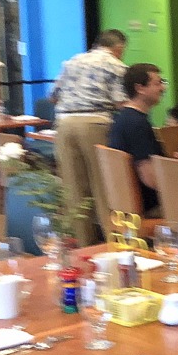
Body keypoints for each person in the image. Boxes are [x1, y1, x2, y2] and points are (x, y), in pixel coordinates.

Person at [52, 29, 128, 245]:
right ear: (118, 47)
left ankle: (84, 246)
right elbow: (121, 103)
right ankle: (112, 245)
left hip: (64, 124)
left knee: (74, 190)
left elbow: (53, 96)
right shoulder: (115, 65)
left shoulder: (72, 62)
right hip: (95, 123)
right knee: (103, 187)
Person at [107, 63, 166, 217]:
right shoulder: (138, 124)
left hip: (126, 206)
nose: (163, 88)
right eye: (158, 83)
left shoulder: (122, 118)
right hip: (150, 208)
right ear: (140, 88)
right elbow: (149, 178)